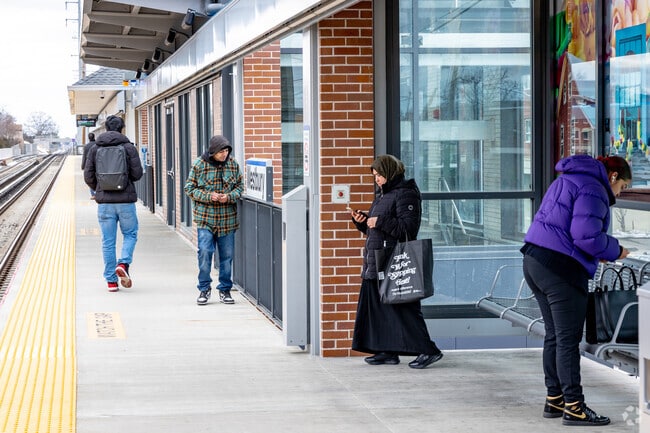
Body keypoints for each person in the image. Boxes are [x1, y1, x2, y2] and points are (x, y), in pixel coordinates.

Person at [521, 154, 631, 427]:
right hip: (561, 270)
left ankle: (555, 398)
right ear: (614, 177)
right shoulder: (594, 187)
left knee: (555, 336)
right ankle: (575, 407)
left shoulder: (567, 178)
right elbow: (586, 235)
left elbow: (567, 229)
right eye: (623, 187)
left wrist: (597, 250)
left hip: (535, 260)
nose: (620, 193)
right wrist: (616, 250)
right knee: (567, 340)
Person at [350, 154, 443, 369]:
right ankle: (387, 350)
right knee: (378, 308)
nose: (377, 179)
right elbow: (378, 230)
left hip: (395, 263)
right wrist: (362, 222)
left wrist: (380, 221)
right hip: (377, 261)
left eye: (380, 175)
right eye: (375, 176)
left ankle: (429, 350)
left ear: (390, 173)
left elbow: (407, 230)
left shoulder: (406, 194)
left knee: (405, 309)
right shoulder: (384, 195)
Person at [83, 115, 143, 292]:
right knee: (130, 234)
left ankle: (111, 281)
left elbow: (88, 176)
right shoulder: (128, 148)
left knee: (108, 241)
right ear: (122, 128)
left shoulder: (95, 148)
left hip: (105, 204)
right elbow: (137, 174)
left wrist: (99, 188)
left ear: (106, 128)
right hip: (125, 201)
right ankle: (123, 264)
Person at [184, 135, 243, 306]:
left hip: (227, 220)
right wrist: (209, 196)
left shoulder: (233, 164)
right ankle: (204, 288)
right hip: (205, 218)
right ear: (213, 152)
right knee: (205, 252)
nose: (224, 155)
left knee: (227, 256)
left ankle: (225, 289)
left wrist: (230, 196)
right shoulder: (199, 165)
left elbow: (240, 186)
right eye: (221, 152)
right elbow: (189, 188)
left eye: (226, 151)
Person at [80, 132, 96, 199]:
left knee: (91, 178)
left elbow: (84, 157)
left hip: (90, 165)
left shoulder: (87, 146)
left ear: (89, 138)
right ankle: (98, 193)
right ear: (94, 137)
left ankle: (93, 194)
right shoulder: (97, 144)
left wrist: (83, 166)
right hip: (98, 164)